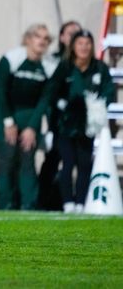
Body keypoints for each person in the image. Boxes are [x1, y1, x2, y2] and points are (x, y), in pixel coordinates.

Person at [37, 30, 116, 213]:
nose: (84, 47)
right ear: (73, 46)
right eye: (80, 43)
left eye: (87, 43)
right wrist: (63, 106)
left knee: (84, 163)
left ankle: (81, 203)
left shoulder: (99, 68)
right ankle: (68, 204)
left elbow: (108, 93)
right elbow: (51, 91)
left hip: (87, 127)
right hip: (65, 126)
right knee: (68, 163)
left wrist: (97, 107)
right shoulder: (65, 67)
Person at [0, 23, 58, 210]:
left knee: (28, 158)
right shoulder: (12, 59)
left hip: (30, 114)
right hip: (8, 111)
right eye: (38, 36)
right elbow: (1, 91)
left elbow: (45, 99)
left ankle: (28, 204)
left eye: (46, 39)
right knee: (8, 157)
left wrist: (32, 127)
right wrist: (7, 122)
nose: (42, 41)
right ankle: (6, 203)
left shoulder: (49, 66)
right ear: (28, 39)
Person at [37, 19, 81, 210]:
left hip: (77, 122)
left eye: (77, 33)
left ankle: (75, 200)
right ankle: (42, 200)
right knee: (54, 159)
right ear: (62, 37)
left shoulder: (82, 61)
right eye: (70, 33)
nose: (73, 37)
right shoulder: (53, 60)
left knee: (78, 161)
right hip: (56, 121)